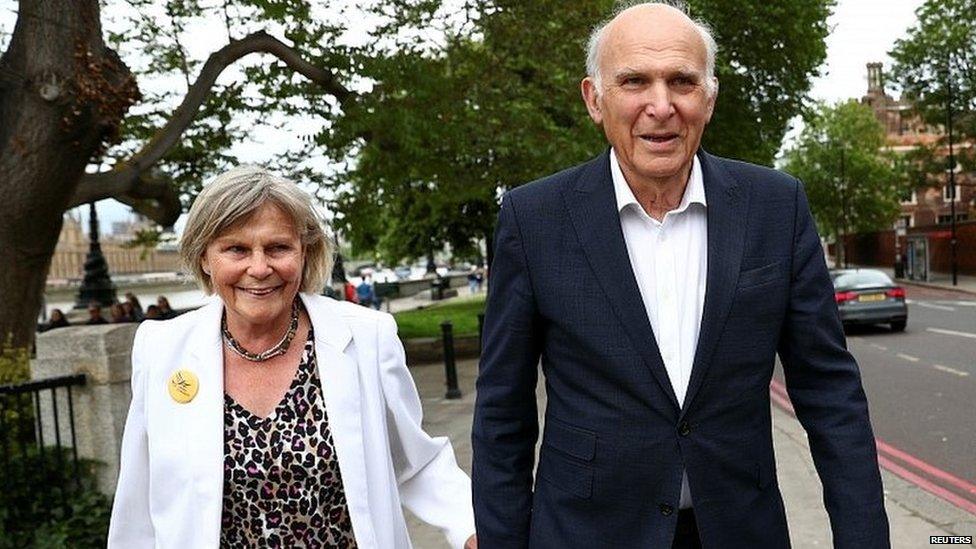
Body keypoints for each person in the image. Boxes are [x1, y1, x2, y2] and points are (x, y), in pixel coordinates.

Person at [472, 4, 888, 549]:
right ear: (595, 100)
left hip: (741, 530)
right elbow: (503, 412)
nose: (661, 106)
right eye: (634, 81)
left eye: (682, 82)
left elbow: (830, 393)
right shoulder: (533, 218)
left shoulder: (775, 206)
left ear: (709, 99)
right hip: (586, 533)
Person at [109, 166, 477, 548]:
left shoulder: (367, 337)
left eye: (278, 248)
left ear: (305, 252)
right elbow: (138, 500)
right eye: (236, 249)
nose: (259, 268)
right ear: (205, 258)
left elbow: (416, 461)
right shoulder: (161, 349)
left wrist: (471, 526)